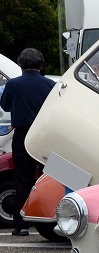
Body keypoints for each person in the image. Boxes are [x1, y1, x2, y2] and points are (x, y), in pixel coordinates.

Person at [0, 49, 56, 236]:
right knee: (49, 177)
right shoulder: (49, 84)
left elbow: (5, 105)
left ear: (20, 64)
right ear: (41, 65)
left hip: (22, 135)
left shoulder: (13, 84)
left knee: (22, 179)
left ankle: (21, 225)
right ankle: (50, 220)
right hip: (44, 135)